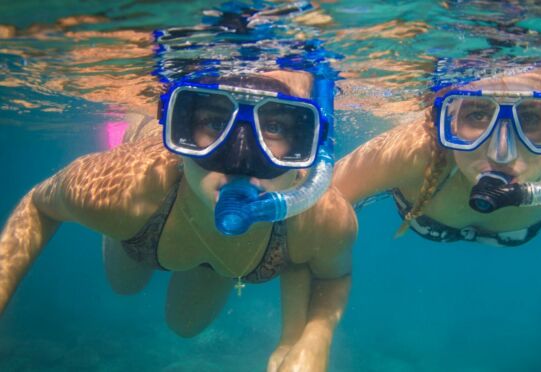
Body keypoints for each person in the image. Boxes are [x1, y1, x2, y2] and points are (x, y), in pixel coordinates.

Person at [0, 22, 356, 372]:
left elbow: (332, 276)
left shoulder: (325, 218)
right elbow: (39, 204)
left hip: (218, 260)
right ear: (181, 124)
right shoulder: (124, 192)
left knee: (186, 326)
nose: (240, 159)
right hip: (151, 224)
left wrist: (315, 338)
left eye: (276, 127)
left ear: (311, 143)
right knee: (125, 285)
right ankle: (135, 129)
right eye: (215, 123)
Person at [333, 63, 541, 246]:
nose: (501, 151)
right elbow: (310, 206)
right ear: (443, 123)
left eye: (530, 118)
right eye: (478, 115)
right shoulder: (413, 152)